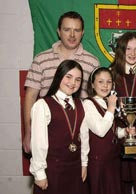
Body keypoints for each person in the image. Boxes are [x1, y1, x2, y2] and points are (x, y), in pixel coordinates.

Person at [23, 11, 100, 153]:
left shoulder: (92, 62)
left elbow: (96, 101)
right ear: (59, 32)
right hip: (48, 132)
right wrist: (28, 132)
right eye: (67, 30)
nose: (72, 35)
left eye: (76, 30)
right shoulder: (41, 59)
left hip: (80, 134)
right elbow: (30, 97)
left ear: (82, 33)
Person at [29, 60, 88, 194]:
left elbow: (84, 138)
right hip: (53, 170)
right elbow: (39, 143)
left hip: (75, 168)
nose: (73, 83)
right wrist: (39, 173)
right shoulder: (43, 105)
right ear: (59, 76)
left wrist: (84, 164)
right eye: (68, 77)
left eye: (78, 79)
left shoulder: (81, 105)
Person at [80, 67, 136, 194]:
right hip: (98, 162)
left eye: (109, 82)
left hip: (113, 159)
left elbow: (112, 130)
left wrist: (125, 132)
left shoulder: (107, 102)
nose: (105, 86)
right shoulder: (88, 104)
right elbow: (100, 130)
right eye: (100, 82)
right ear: (92, 84)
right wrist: (111, 108)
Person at [109, 31, 136, 194]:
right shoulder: (111, 72)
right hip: (121, 134)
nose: (133, 54)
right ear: (121, 50)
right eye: (128, 49)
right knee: (122, 182)